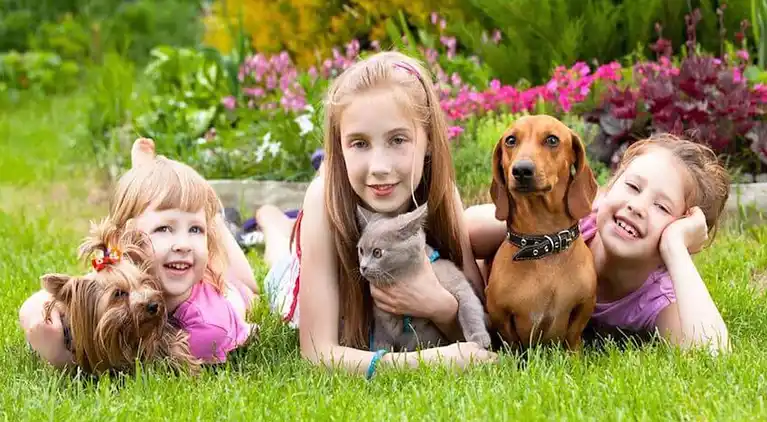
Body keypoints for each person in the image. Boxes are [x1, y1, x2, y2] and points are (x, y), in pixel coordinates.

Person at [258, 51, 497, 378]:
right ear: (338, 147)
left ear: (428, 140)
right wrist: (429, 363)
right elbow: (316, 353)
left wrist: (438, 307)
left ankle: (281, 225)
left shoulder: (443, 194)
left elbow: (479, 331)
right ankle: (273, 222)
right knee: (278, 265)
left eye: (398, 139)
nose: (379, 168)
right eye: (359, 143)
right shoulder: (323, 199)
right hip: (298, 276)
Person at [465, 134, 732, 354]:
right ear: (608, 188)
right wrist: (555, 219)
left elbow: (712, 353)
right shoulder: (579, 225)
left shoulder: (654, 297)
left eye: (662, 206)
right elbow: (468, 229)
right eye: (632, 187)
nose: (636, 206)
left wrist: (676, 249)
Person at [19, 138, 260, 367]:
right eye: (163, 228)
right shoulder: (126, 265)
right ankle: (155, 186)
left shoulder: (208, 329)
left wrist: (61, 358)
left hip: (227, 289)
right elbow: (39, 303)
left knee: (247, 282)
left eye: (196, 229)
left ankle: (222, 217)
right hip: (177, 264)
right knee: (186, 243)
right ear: (131, 238)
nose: (182, 243)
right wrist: (43, 327)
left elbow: (138, 365)